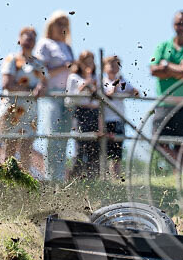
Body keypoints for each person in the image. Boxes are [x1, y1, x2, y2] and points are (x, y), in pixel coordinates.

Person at [149, 11, 183, 166]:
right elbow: (154, 70)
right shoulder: (162, 46)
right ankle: (181, 170)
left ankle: (180, 177)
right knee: (157, 141)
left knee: (180, 145)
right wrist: (178, 69)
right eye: (179, 23)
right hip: (164, 103)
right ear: (173, 24)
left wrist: (166, 66)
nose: (181, 27)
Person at [0, 26, 46, 166]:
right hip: (13, 108)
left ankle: (24, 182)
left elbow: (44, 84)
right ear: (20, 39)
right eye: (27, 37)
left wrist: (41, 88)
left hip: (30, 110)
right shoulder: (12, 59)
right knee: (10, 146)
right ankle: (5, 180)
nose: (30, 41)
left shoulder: (38, 63)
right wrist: (30, 91)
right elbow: (7, 84)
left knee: (26, 148)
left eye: (32, 39)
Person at [35, 11, 74, 181]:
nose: (62, 27)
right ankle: (50, 176)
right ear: (51, 26)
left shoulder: (67, 47)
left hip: (67, 96)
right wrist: (64, 67)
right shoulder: (45, 43)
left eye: (65, 24)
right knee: (52, 135)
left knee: (64, 137)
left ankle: (59, 176)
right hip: (51, 95)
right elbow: (39, 68)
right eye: (59, 23)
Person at [102, 55, 139, 177]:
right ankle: (105, 175)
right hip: (106, 119)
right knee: (105, 147)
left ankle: (116, 175)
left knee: (117, 149)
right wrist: (116, 85)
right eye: (111, 65)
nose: (114, 68)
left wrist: (132, 91)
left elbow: (135, 92)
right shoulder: (103, 81)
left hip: (119, 119)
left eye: (116, 65)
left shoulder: (123, 81)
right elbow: (109, 94)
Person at [65, 50, 101, 180]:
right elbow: (69, 98)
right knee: (80, 146)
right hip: (80, 112)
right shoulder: (74, 78)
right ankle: (75, 177)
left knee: (94, 147)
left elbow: (100, 98)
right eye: (86, 62)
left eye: (91, 61)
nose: (89, 64)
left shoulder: (97, 78)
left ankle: (93, 178)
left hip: (94, 113)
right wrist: (85, 84)